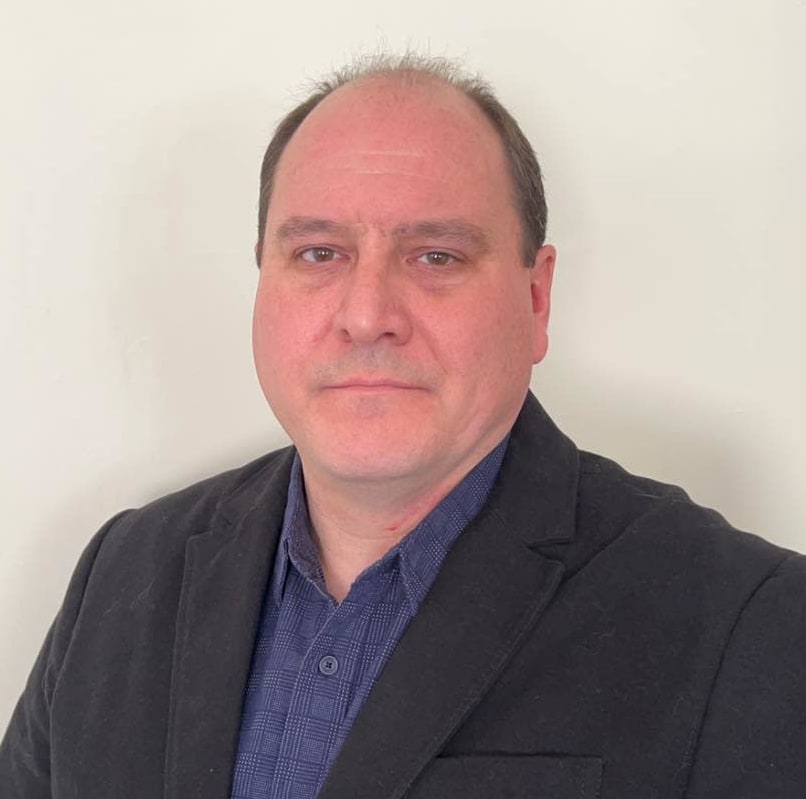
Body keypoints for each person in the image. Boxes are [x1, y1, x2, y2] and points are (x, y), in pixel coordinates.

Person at [1, 54, 804, 799]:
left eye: (436, 256)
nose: (366, 314)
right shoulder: (122, 574)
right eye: (319, 253)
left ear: (536, 299)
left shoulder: (746, 622)